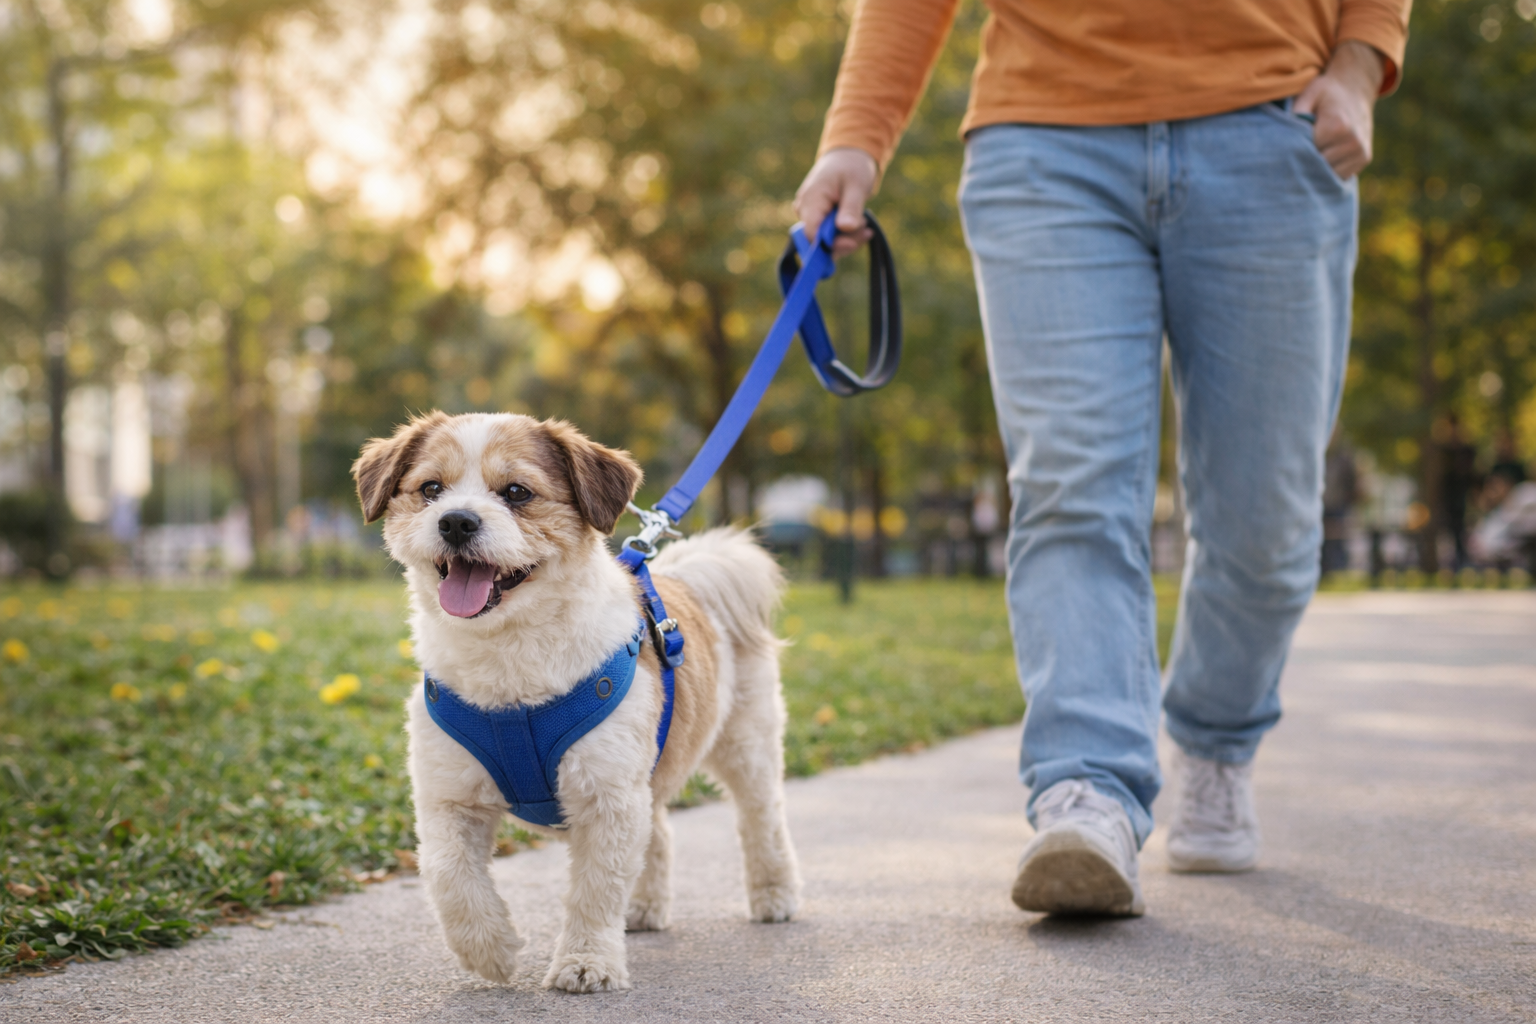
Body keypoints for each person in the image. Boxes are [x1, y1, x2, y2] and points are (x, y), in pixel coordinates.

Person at [795, 0, 1410, 915]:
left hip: (1272, 129)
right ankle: (1086, 791)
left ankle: (1215, 742)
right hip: (1044, 140)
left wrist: (1360, 65)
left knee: (1266, 521)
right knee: (1069, 487)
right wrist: (854, 136)